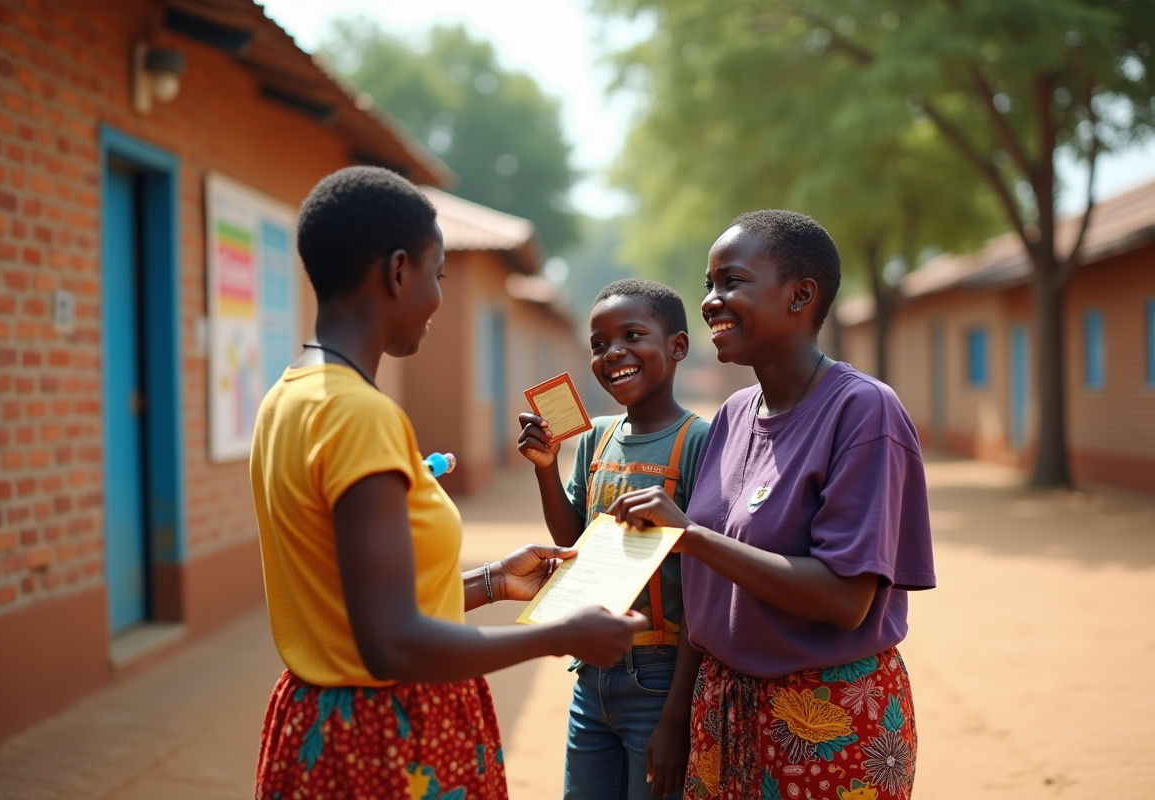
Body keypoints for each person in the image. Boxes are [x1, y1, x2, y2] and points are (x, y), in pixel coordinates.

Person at [249, 166, 646, 800]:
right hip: (390, 742)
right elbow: (391, 644)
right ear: (398, 271)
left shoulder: (291, 396)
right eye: (437, 275)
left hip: (322, 727)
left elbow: (358, 605)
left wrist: (491, 583)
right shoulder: (359, 415)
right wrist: (562, 636)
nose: (437, 298)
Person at [608, 211, 936, 799]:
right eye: (708, 284)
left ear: (800, 296)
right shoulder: (735, 416)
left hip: (826, 717)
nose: (710, 301)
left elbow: (843, 598)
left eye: (730, 281)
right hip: (720, 709)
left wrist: (689, 534)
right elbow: (704, 585)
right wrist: (677, 715)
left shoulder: (863, 413)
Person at [517, 278, 711, 800]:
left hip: (660, 676)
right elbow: (575, 545)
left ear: (677, 346)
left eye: (632, 335)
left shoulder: (699, 441)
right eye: (599, 344)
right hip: (592, 675)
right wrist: (544, 470)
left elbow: (701, 582)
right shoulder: (595, 437)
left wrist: (676, 715)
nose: (613, 353)